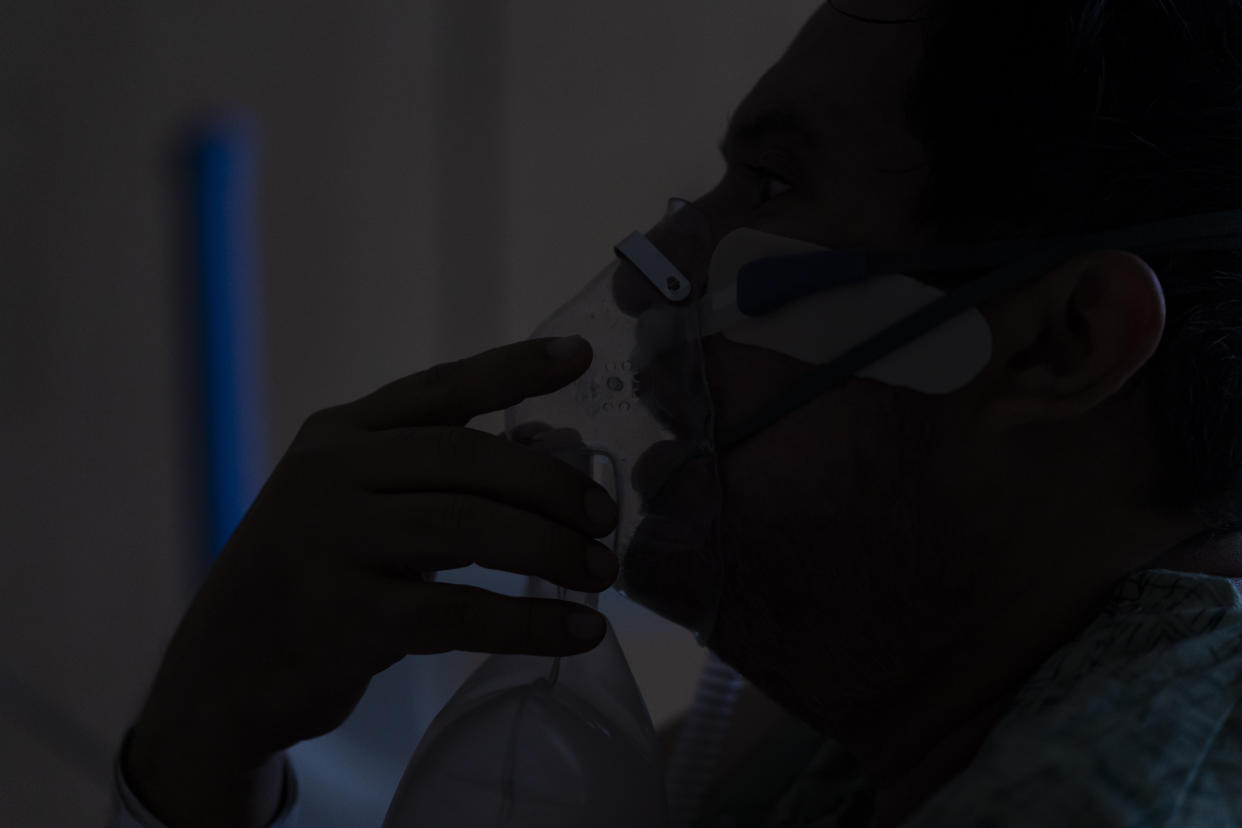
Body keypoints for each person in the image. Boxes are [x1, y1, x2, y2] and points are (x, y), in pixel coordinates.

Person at [111, 0, 1242, 826]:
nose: (663, 267)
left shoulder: (1099, 801)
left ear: (1063, 340)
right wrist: (212, 737)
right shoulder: (892, 716)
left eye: (779, 187)